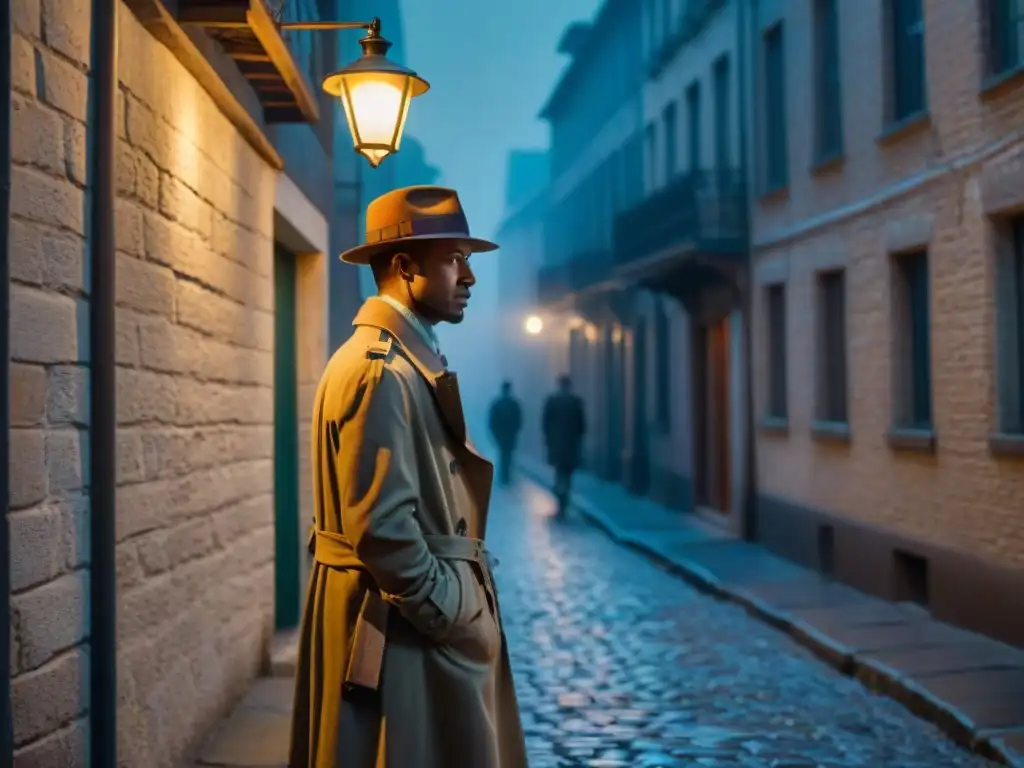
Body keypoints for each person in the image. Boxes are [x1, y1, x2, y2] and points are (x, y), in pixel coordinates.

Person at [289, 186, 527, 768]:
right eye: (453, 258)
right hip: (402, 635)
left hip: (408, 628)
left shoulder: (397, 361)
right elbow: (384, 530)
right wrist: (451, 613)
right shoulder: (381, 373)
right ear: (403, 267)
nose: (468, 276)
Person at [542, 375, 586, 515]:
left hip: (556, 444)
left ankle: (560, 498)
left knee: (559, 471)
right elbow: (582, 425)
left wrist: (548, 439)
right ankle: (564, 500)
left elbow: (545, 423)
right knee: (567, 473)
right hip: (571, 445)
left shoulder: (552, 401)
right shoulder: (575, 402)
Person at [488, 380, 523, 486]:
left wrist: (495, 434)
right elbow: (519, 420)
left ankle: (503, 475)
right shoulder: (514, 404)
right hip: (511, 434)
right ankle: (506, 475)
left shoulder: (497, 404)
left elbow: (492, 421)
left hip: (501, 434)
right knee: (508, 454)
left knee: (502, 453)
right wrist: (515, 431)